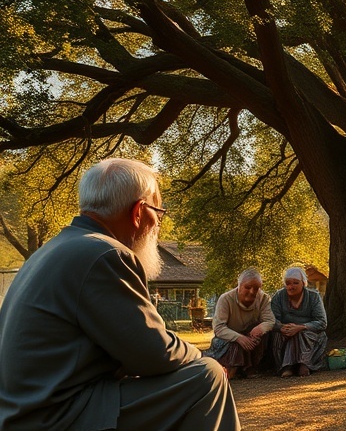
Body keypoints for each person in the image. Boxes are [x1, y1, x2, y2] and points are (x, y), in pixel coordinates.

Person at [0, 158, 239, 430]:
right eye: (158, 214)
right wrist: (203, 358)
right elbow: (155, 354)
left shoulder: (51, 251)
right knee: (207, 378)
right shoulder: (104, 254)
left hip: (30, 413)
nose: (157, 226)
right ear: (138, 212)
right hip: (59, 418)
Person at [205, 268, 276, 379]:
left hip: (250, 337)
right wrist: (239, 338)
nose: (252, 292)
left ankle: (252, 367)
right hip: (228, 339)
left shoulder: (264, 298)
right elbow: (218, 328)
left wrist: (261, 328)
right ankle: (232, 369)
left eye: (256, 288)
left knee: (263, 333)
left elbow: (270, 321)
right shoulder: (226, 299)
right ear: (239, 285)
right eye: (247, 287)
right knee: (234, 345)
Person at [270, 266, 328, 377]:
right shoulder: (279, 296)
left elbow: (322, 322)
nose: (291, 287)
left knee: (301, 334)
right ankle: (287, 366)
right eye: (288, 283)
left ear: (303, 283)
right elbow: (271, 319)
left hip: (307, 332)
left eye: (295, 283)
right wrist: (282, 327)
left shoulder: (313, 297)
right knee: (283, 334)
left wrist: (301, 327)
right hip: (285, 331)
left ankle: (304, 364)